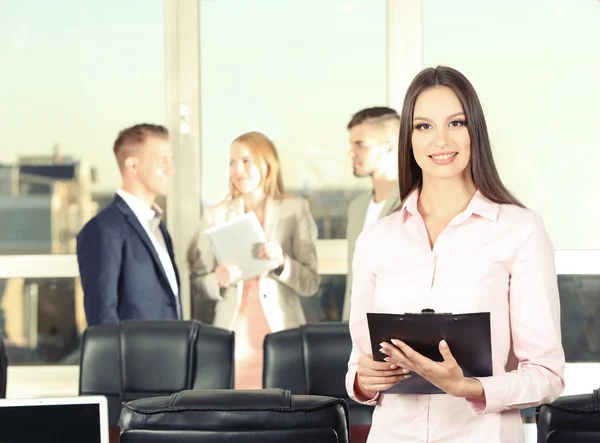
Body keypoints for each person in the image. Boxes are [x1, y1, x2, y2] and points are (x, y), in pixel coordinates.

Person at [345, 66, 565, 442]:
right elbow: (359, 365)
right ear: (408, 139)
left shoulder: (520, 230)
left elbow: (546, 375)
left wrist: (470, 387)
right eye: (424, 127)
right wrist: (364, 380)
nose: (440, 141)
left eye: (456, 123)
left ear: (474, 131)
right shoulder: (376, 239)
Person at [188, 131, 321, 389]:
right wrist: (218, 279)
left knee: (280, 413)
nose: (237, 169)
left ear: (267, 163)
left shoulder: (295, 209)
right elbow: (198, 282)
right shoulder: (215, 215)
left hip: (281, 330)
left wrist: (283, 262)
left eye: (246, 161)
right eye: (232, 162)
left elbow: (311, 283)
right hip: (233, 334)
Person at [77, 124, 181, 326]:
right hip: (133, 357)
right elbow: (102, 317)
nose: (171, 169)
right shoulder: (104, 230)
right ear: (132, 166)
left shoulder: (159, 228)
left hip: (170, 355)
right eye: (163, 161)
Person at [342, 107, 401, 322]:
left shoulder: (413, 203)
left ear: (390, 147)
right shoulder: (356, 208)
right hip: (355, 334)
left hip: (397, 334)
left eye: (360, 145)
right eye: (351, 144)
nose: (351, 152)